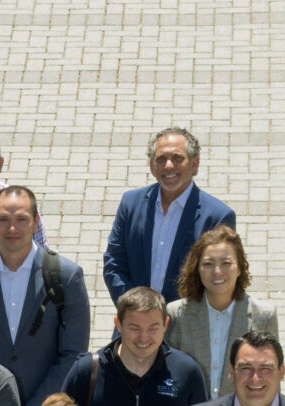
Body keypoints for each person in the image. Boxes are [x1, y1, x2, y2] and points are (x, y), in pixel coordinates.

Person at [0, 186, 90, 406]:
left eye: (21, 219)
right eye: (3, 220)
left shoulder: (67, 276)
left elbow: (74, 353)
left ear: (35, 221)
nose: (12, 229)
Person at [60, 287, 208, 406]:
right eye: (134, 328)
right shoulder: (87, 371)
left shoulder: (187, 372)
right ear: (118, 324)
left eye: (153, 328)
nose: (144, 338)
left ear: (165, 325)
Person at [100, 128, 237, 302]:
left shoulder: (217, 217)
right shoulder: (130, 203)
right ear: (152, 166)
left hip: (186, 325)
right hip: (134, 324)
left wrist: (175, 316)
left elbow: (217, 280)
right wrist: (133, 309)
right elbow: (114, 262)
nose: (169, 166)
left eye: (178, 158)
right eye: (161, 159)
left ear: (194, 164)